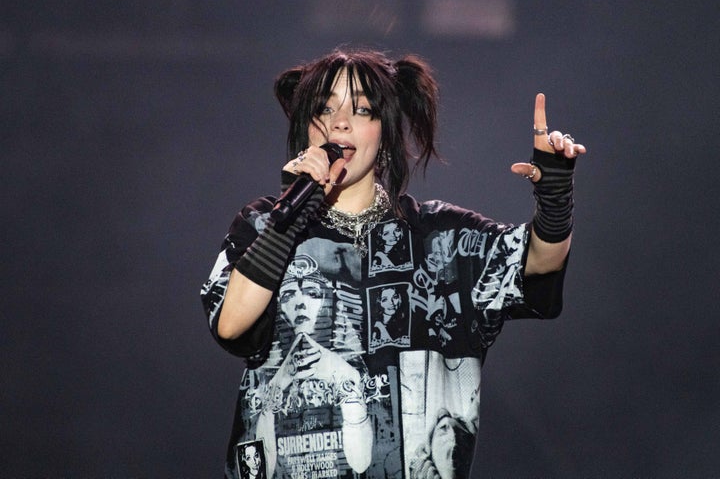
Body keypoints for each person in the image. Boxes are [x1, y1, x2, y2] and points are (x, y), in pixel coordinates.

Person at [201, 47, 586, 479]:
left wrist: (554, 193)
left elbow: (539, 264)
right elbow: (230, 324)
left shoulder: (441, 238)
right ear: (307, 128)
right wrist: (292, 213)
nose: (341, 121)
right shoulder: (262, 224)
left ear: (384, 132)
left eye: (362, 109)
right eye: (325, 108)